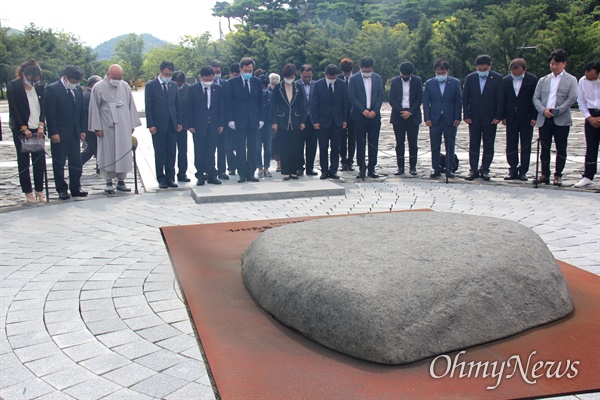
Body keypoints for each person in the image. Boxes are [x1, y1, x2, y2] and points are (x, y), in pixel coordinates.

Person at [88, 64, 141, 193]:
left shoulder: (125, 86)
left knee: (123, 151)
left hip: (123, 124)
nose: (117, 79)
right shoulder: (98, 87)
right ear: (108, 74)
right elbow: (94, 108)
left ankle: (121, 180)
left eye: (119, 77)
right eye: (115, 77)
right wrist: (97, 128)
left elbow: (130, 105)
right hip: (107, 125)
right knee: (108, 152)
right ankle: (108, 181)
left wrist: (131, 124)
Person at [532, 49, 578, 186]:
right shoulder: (543, 80)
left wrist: (558, 110)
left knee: (561, 148)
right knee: (544, 147)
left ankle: (558, 174)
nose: (554, 66)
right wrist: (543, 110)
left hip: (561, 118)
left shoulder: (571, 80)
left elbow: (571, 98)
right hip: (545, 117)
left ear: (564, 64)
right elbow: (536, 97)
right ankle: (544, 173)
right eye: (552, 63)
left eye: (557, 64)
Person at [45, 65, 88, 200]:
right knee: (59, 163)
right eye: (73, 81)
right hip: (60, 133)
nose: (75, 84)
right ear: (65, 78)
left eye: (77, 82)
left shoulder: (78, 90)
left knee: (76, 162)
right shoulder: (52, 89)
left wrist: (82, 129)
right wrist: (53, 132)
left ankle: (75, 187)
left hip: (75, 132)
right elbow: (50, 114)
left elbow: (81, 111)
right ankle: (61, 189)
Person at [7, 58, 46, 203]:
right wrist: (23, 127)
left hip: (38, 128)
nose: (34, 82)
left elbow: (43, 107)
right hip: (22, 129)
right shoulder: (14, 86)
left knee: (39, 161)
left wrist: (42, 124)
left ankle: (39, 190)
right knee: (24, 161)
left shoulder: (40, 88)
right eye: (32, 79)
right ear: (24, 74)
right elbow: (14, 109)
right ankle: (28, 191)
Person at [463, 55, 505, 181]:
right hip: (474, 117)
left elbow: (500, 98)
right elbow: (465, 98)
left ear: (490, 66)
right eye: (480, 69)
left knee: (489, 144)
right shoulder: (470, 78)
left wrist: (498, 115)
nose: (482, 71)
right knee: (474, 144)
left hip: (490, 118)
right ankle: (473, 169)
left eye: (484, 69)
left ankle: (485, 168)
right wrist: (466, 115)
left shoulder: (497, 78)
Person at [145, 61, 183, 189]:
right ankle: (161, 178)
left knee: (171, 152)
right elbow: (148, 107)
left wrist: (179, 121)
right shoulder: (151, 86)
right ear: (160, 72)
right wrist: (151, 124)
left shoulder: (173, 85)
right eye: (166, 73)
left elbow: (178, 105)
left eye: (170, 74)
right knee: (160, 153)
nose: (168, 76)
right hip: (158, 125)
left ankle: (170, 178)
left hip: (172, 124)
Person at [423, 58, 462, 179]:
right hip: (434, 119)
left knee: (450, 144)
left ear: (447, 71)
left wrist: (457, 117)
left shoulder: (455, 82)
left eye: (443, 72)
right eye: (438, 72)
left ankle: (449, 168)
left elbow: (458, 101)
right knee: (435, 144)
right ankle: (436, 168)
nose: (440, 74)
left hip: (450, 118)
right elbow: (426, 102)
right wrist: (427, 117)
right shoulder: (430, 83)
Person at [226, 57, 263, 183]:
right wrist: (230, 120)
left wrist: (261, 118)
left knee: (253, 148)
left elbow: (260, 101)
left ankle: (250, 173)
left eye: (250, 70)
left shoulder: (257, 81)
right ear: (241, 69)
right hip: (238, 120)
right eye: (246, 70)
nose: (248, 73)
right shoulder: (232, 82)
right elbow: (229, 103)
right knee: (240, 148)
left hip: (253, 119)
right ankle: (241, 173)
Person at [187, 65, 225, 186]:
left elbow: (221, 108)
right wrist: (190, 124)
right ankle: (200, 175)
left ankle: (212, 175)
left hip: (213, 125)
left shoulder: (218, 89)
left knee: (211, 150)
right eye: (206, 79)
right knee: (199, 151)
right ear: (201, 77)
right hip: (198, 125)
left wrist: (221, 123)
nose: (209, 81)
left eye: (211, 79)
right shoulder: (193, 89)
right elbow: (189, 107)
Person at [502, 58, 539, 181]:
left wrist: (534, 116)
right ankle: (512, 169)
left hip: (526, 117)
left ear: (524, 70)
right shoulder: (506, 80)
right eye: (514, 73)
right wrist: (503, 116)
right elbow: (503, 100)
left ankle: (523, 170)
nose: (516, 75)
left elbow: (536, 100)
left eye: (518, 73)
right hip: (511, 117)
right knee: (511, 144)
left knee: (526, 144)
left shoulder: (533, 80)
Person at [348, 56, 384, 179]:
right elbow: (352, 96)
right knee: (360, 142)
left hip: (374, 116)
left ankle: (372, 168)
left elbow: (380, 95)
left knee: (373, 142)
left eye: (369, 70)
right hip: (359, 116)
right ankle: (361, 168)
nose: (367, 72)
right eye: (365, 70)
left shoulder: (377, 78)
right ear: (360, 67)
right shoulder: (353, 79)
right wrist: (362, 110)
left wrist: (374, 110)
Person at [312, 64, 349, 179]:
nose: (332, 80)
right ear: (325, 75)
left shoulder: (342, 84)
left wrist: (345, 119)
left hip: (337, 121)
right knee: (323, 147)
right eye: (330, 78)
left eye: (334, 78)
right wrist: (315, 120)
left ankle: (333, 170)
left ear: (337, 75)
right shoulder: (318, 85)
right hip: (323, 121)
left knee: (335, 147)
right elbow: (314, 104)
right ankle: (324, 170)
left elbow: (345, 103)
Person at [271, 64, 306, 180]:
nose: (290, 78)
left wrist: (303, 121)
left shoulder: (298, 87)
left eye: (291, 76)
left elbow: (302, 105)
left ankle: (293, 170)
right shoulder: (278, 87)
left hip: (295, 119)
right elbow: (273, 105)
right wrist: (274, 122)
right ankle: (285, 171)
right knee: (283, 146)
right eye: (287, 76)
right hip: (282, 120)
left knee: (294, 147)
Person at [389, 61, 423, 176]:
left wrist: (410, 112)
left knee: (413, 142)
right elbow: (391, 99)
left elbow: (419, 98)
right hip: (398, 115)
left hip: (412, 115)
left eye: (407, 76)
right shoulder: (394, 81)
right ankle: (400, 167)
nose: (405, 77)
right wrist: (401, 111)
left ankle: (413, 167)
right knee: (399, 143)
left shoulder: (417, 81)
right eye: (403, 75)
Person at [574, 61, 600, 188]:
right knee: (591, 147)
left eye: (593, 78)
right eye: (588, 78)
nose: (590, 80)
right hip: (590, 114)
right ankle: (588, 176)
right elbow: (581, 101)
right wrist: (589, 117)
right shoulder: (583, 81)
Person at [211, 60, 232, 180]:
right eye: (214, 72)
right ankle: (210, 170)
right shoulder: (204, 83)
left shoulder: (225, 84)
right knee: (210, 148)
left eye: (218, 72)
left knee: (222, 147)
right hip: (210, 121)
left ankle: (222, 170)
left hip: (222, 122)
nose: (217, 74)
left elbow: (228, 103)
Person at [298, 64, 318, 176]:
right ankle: (300, 167)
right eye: (305, 77)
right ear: (301, 74)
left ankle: (310, 168)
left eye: (309, 77)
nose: (307, 79)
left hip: (313, 120)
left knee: (312, 145)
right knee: (299, 145)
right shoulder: (296, 85)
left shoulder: (316, 85)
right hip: (301, 120)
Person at [172, 71, 191, 182]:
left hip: (183, 125)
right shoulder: (169, 87)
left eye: (180, 84)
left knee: (183, 150)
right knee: (170, 151)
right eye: (177, 83)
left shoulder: (189, 89)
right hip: (170, 124)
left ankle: (182, 173)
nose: (178, 86)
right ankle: (170, 173)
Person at [81, 75, 102, 172]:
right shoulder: (90, 95)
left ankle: (100, 166)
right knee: (95, 148)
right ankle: (101, 166)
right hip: (91, 128)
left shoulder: (86, 94)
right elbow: (91, 113)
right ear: (94, 84)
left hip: (88, 127)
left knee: (92, 148)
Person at [338, 58, 356, 171]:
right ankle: (343, 160)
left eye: (348, 72)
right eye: (344, 73)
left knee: (352, 139)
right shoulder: (339, 79)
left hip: (354, 114)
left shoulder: (356, 79)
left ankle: (351, 161)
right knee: (342, 139)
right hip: (341, 114)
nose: (346, 75)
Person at [256, 75, 273, 178]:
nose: (264, 88)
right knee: (257, 148)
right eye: (263, 86)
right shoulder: (255, 95)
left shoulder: (271, 95)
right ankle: (259, 168)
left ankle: (267, 167)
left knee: (268, 148)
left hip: (268, 123)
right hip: (257, 124)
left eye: (266, 86)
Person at [269, 73, 282, 172]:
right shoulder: (267, 90)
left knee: (278, 142)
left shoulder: (280, 89)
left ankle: (279, 163)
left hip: (279, 119)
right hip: (268, 120)